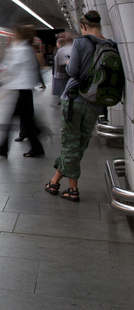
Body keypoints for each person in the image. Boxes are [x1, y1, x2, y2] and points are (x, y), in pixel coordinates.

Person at [45, 11, 114, 202]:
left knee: (70, 144)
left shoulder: (81, 43)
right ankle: (54, 181)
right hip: (95, 102)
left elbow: (73, 71)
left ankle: (73, 190)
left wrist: (68, 63)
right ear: (99, 25)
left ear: (83, 26)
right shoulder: (110, 44)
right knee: (80, 144)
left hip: (74, 100)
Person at [0, 25, 44, 158]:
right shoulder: (24, 48)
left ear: (20, 35)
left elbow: (12, 67)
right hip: (24, 89)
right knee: (27, 120)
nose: (13, 36)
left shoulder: (22, 49)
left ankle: (3, 148)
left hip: (22, 89)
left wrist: (3, 67)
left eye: (15, 34)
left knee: (13, 119)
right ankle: (36, 145)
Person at [51, 34, 73, 107]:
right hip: (70, 71)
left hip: (62, 71)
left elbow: (58, 62)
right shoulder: (73, 48)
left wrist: (58, 71)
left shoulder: (61, 50)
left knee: (63, 87)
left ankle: (65, 100)